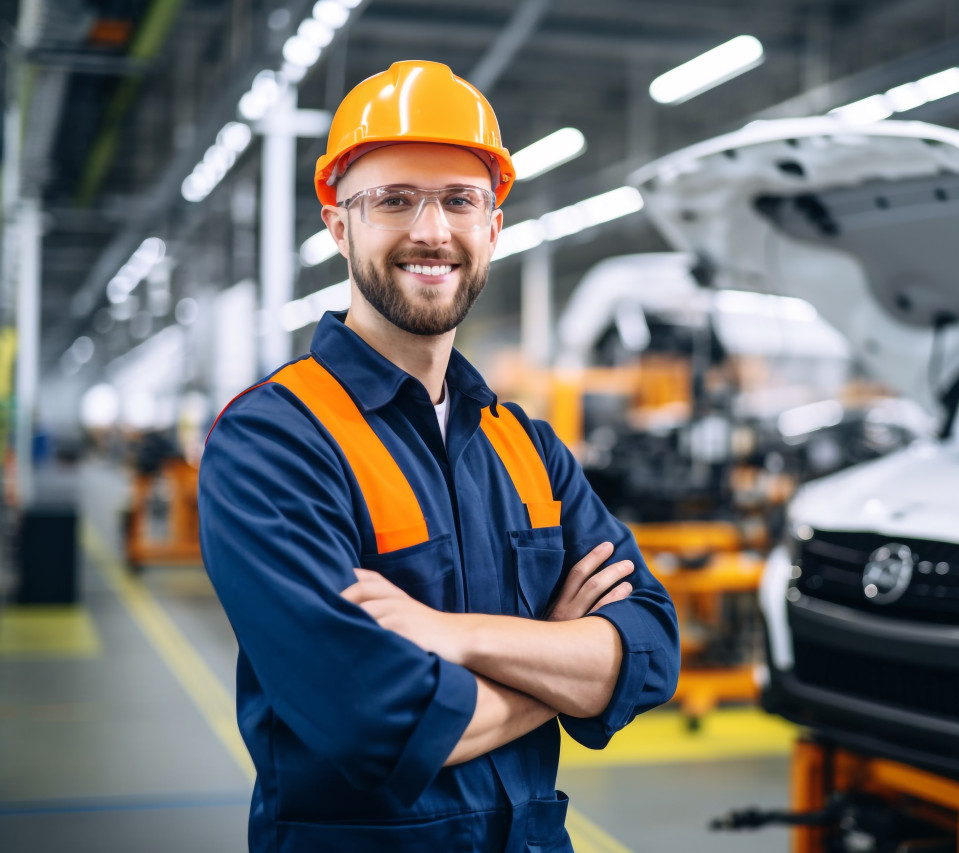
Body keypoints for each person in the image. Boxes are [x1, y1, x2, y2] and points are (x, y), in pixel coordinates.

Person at [198, 60, 680, 853]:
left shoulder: (527, 448)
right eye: (393, 199)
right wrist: (563, 664)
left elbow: (652, 650)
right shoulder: (273, 443)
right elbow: (374, 722)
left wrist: (452, 636)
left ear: (492, 226)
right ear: (336, 222)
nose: (432, 230)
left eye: (460, 199)